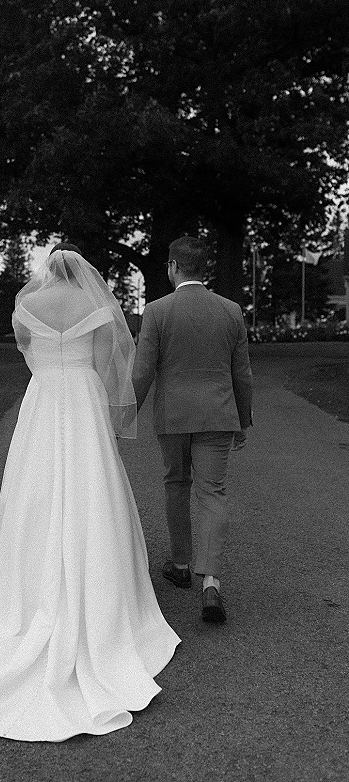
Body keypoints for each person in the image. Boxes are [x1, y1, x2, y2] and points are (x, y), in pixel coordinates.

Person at [0, 244, 180, 741]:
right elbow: (113, 365)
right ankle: (101, 594)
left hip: (44, 400)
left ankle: (27, 588)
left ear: (47, 270)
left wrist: (50, 366)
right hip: (83, 401)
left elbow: (26, 348)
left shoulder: (28, 304)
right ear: (82, 272)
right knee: (93, 491)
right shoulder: (100, 307)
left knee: (33, 491)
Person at [133, 235, 253, 624]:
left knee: (176, 483)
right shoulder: (231, 311)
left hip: (172, 417)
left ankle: (181, 564)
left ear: (172, 267)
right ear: (204, 269)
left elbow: (144, 371)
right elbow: (243, 374)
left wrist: (126, 414)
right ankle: (211, 583)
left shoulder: (156, 311)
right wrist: (243, 418)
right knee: (212, 492)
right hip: (218, 415)